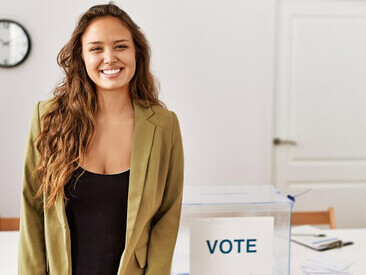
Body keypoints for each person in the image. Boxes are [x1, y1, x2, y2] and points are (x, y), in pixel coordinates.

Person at [18, 2, 184, 275]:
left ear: (136, 53)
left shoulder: (164, 126)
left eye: (121, 46)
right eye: (96, 48)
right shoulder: (47, 117)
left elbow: (167, 214)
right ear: (81, 56)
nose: (110, 58)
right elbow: (33, 207)